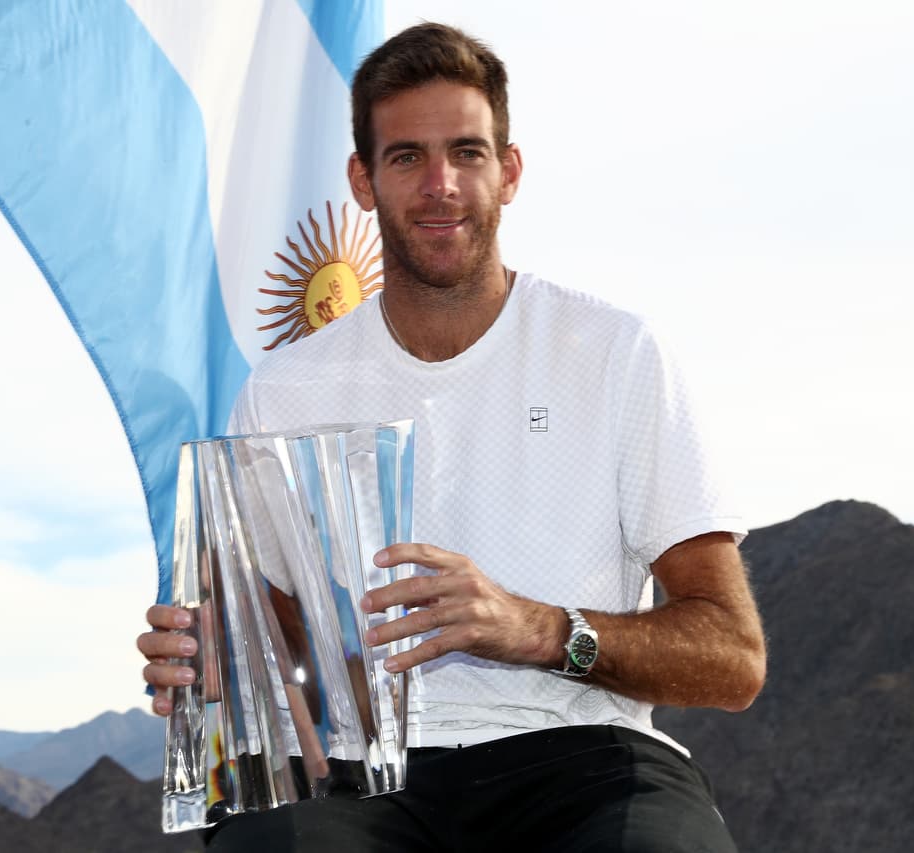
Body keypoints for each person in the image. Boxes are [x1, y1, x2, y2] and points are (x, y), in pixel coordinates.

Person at [139, 22, 766, 853]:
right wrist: (215, 661)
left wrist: (538, 627)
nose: (440, 184)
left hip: (584, 756)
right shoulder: (283, 394)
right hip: (359, 772)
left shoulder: (615, 354)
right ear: (363, 180)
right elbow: (278, 645)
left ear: (509, 172)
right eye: (407, 158)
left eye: (467, 152)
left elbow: (732, 655)